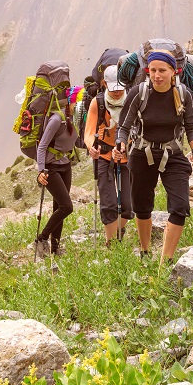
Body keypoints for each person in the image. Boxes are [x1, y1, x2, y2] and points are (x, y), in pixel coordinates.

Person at [113, 51, 193, 262]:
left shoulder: (184, 94)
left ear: (174, 71)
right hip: (142, 154)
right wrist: (120, 145)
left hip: (173, 154)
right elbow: (124, 127)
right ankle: (145, 252)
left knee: (180, 207)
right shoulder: (139, 93)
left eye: (162, 70)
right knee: (142, 207)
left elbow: (192, 127)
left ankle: (166, 260)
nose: (156, 75)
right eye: (152, 70)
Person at [84, 65, 134, 245]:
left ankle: (119, 230)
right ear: (104, 84)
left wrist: (123, 147)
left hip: (126, 156)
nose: (117, 92)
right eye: (113, 89)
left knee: (128, 207)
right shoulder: (97, 102)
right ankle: (111, 244)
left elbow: (137, 129)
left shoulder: (131, 100)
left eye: (120, 88)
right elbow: (89, 131)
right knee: (108, 203)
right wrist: (91, 147)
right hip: (104, 156)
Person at [34, 88, 82, 257]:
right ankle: (42, 238)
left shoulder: (79, 118)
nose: (82, 105)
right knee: (67, 207)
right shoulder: (56, 120)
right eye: (80, 101)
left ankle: (55, 248)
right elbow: (42, 146)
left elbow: (78, 141)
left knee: (59, 206)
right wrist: (41, 171)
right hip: (51, 167)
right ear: (71, 102)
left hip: (66, 165)